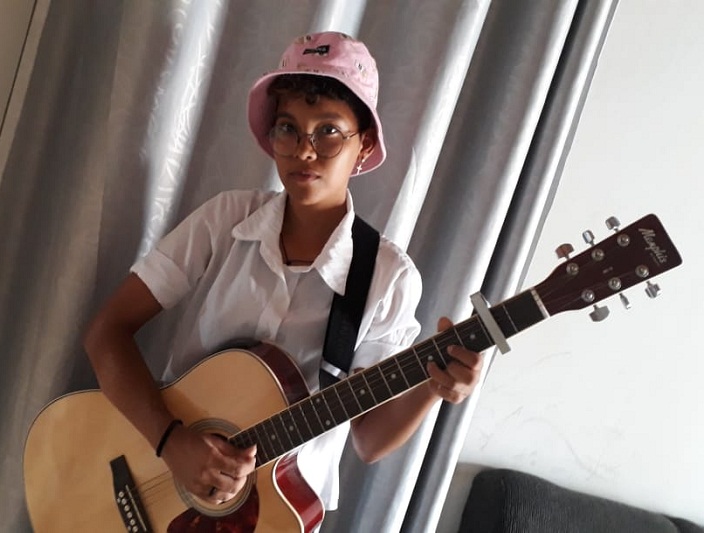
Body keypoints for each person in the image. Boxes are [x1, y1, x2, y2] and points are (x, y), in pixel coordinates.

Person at [84, 31, 482, 527]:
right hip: (155, 474)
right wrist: (170, 442)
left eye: (328, 131)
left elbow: (370, 440)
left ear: (364, 145)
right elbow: (106, 333)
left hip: (274, 514)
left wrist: (433, 388)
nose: (304, 151)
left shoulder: (387, 278)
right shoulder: (225, 219)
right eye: (288, 128)